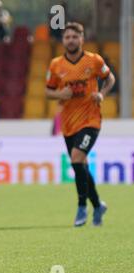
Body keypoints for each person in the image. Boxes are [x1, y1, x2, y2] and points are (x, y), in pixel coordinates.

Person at [45, 22, 115, 227]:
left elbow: (109, 78)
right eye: (67, 37)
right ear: (63, 40)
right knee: (80, 165)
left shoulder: (94, 60)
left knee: (77, 158)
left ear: (82, 39)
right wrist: (60, 94)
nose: (71, 40)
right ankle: (98, 205)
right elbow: (48, 91)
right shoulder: (56, 65)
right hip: (68, 124)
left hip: (91, 120)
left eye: (75, 37)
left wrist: (101, 94)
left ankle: (82, 207)